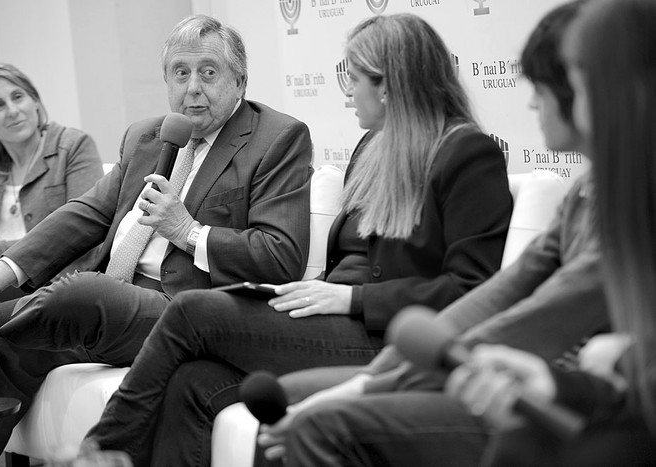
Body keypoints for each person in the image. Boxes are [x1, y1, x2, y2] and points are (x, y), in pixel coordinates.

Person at [79, 12, 513, 467]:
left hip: (389, 336)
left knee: (191, 311)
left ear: (388, 84)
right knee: (192, 380)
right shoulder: (372, 148)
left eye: (354, 76)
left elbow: (472, 288)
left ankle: (99, 453)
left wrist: (352, 299)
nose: (346, 93)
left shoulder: (466, 153)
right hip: (331, 317)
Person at [257, 2, 611, 466]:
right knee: (288, 403)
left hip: (582, 399)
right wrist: (368, 381)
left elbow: (540, 312)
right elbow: (503, 294)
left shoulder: (628, 195)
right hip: (513, 376)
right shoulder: (585, 190)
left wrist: (371, 382)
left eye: (542, 88)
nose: (530, 103)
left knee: (319, 421)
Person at [0, 15, 313, 467]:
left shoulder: (277, 138)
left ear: (239, 79)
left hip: (185, 313)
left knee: (88, 290)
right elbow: (87, 214)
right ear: (166, 80)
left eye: (209, 72)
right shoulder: (147, 135)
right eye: (180, 73)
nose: (193, 88)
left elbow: (281, 256)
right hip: (104, 315)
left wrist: (187, 231)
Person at [447, 0, 656, 465]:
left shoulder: (463, 152)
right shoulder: (593, 185)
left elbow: (537, 304)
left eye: (580, 85)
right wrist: (561, 383)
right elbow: (509, 290)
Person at [0, 63, 103, 296]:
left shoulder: (73, 146)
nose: (12, 111)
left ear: (35, 101)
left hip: (60, 291)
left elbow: (81, 235)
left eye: (18, 97)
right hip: (3, 292)